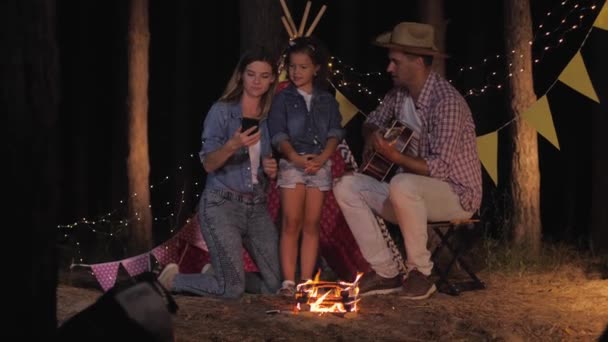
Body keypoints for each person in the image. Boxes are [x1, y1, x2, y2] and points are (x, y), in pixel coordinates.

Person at [333, 22, 482, 300]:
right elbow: (371, 122)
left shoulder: (447, 102)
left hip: (456, 196)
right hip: (410, 195)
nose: (389, 68)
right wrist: (373, 136)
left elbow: (439, 169)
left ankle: (420, 274)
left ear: (417, 61)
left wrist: (394, 156)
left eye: (395, 61)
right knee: (346, 186)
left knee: (402, 183)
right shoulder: (398, 96)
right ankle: (386, 271)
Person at [157, 48, 282, 298]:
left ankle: (216, 274)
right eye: (251, 74)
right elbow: (208, 164)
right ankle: (172, 280)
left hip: (256, 207)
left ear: (271, 80)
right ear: (241, 76)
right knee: (231, 290)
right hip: (222, 205)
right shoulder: (222, 111)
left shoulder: (268, 118)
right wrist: (232, 145)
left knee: (276, 286)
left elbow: (261, 161)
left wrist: (271, 168)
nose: (257, 81)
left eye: (264, 76)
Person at [268, 37, 344, 296]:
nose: (296, 72)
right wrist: (294, 157)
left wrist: (323, 157)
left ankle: (305, 281)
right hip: (293, 162)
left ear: (316, 68)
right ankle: (288, 282)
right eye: (292, 66)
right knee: (292, 221)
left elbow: (335, 131)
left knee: (312, 224)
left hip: (320, 164)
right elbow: (278, 133)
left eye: (303, 67)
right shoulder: (283, 98)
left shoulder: (327, 100)